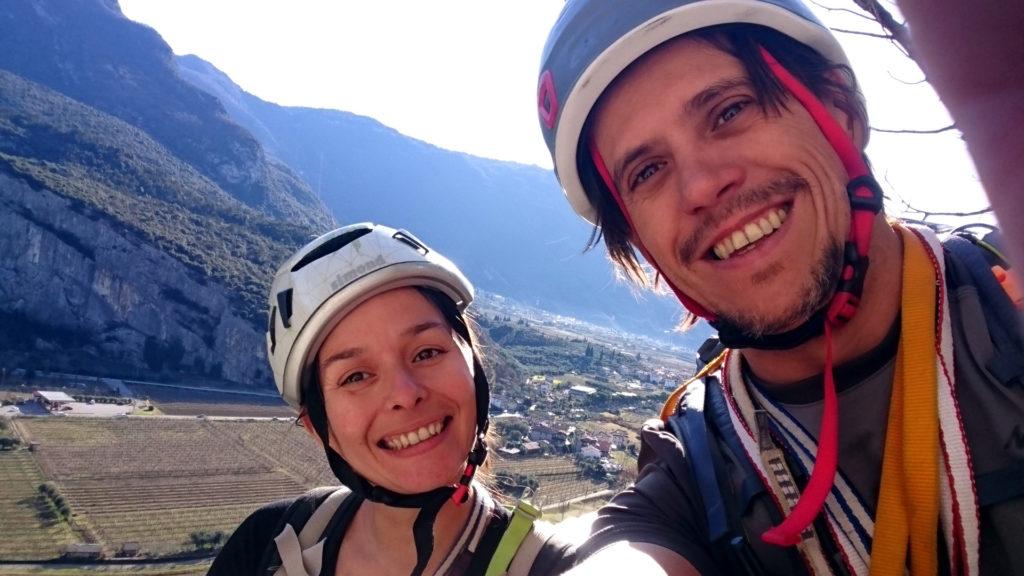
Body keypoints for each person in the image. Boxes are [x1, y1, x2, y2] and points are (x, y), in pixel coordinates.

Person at [533, 1, 1024, 574]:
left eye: (729, 110)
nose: (702, 186)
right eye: (647, 172)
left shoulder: (1005, 307)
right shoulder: (692, 476)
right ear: (641, 242)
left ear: (839, 111)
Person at [208, 223, 576, 575]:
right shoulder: (264, 545)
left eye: (426, 353)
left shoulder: (561, 568)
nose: (404, 394)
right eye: (356, 376)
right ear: (317, 427)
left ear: (474, 368)